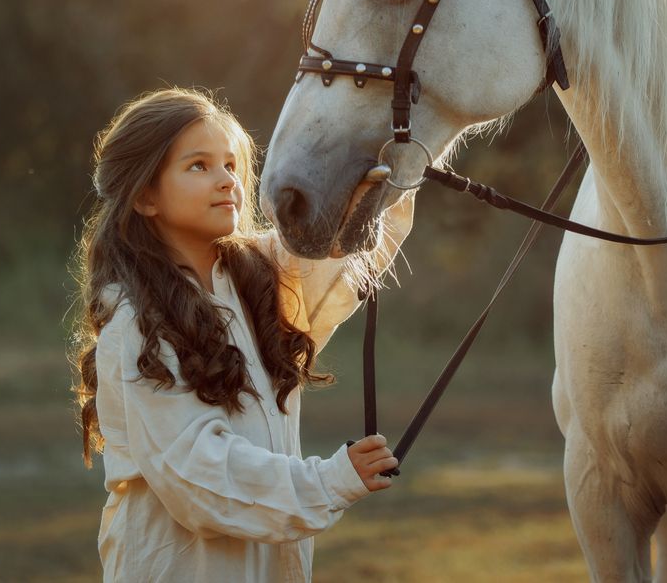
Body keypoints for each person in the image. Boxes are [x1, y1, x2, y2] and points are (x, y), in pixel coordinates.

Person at [70, 87, 412, 582]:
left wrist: (399, 153)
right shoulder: (135, 321)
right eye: (199, 166)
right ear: (145, 196)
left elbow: (350, 244)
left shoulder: (261, 279)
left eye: (231, 164)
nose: (226, 180)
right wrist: (330, 480)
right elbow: (201, 477)